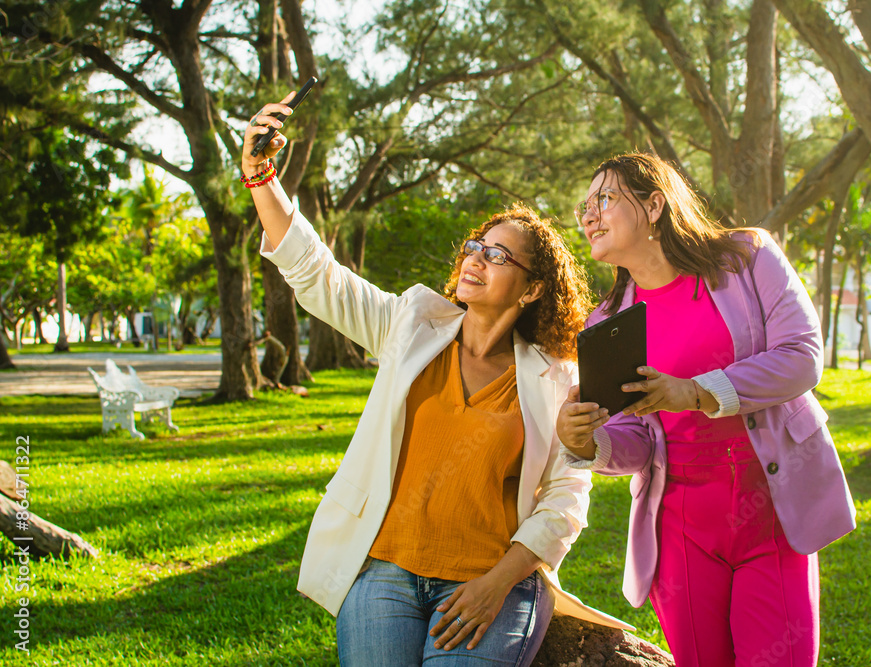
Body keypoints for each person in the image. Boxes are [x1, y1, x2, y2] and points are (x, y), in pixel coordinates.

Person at [241, 95, 630, 666]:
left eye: (498, 256)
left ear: (532, 290)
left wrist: (497, 583)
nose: (476, 259)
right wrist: (260, 175)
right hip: (383, 572)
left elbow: (567, 499)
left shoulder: (557, 377)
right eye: (476, 246)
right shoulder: (412, 325)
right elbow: (316, 273)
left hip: (492, 582)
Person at [557, 152, 856, 666]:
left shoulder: (747, 257)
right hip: (680, 528)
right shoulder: (606, 319)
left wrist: (694, 391)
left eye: (604, 199)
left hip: (771, 512)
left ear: (654, 205)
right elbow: (637, 437)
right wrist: (588, 442)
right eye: (586, 206)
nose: (589, 216)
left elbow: (802, 357)